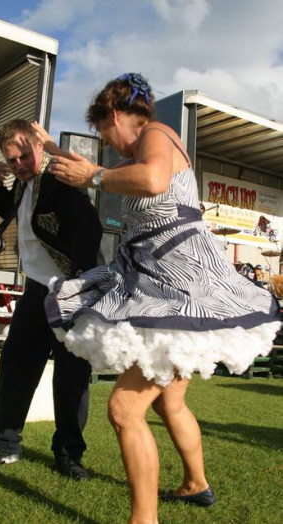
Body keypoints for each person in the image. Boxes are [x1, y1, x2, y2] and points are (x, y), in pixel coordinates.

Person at [43, 74, 281, 523]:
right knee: (170, 402)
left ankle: (144, 520)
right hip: (169, 284)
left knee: (123, 408)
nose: (109, 148)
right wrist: (54, 152)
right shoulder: (151, 143)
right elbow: (126, 175)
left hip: (179, 291)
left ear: (114, 116)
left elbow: (152, 180)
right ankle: (196, 485)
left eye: (104, 135)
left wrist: (95, 175)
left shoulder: (157, 133)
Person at [0, 119, 102, 480]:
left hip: (71, 291)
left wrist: (79, 288)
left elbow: (89, 227)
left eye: (25, 155)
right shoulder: (24, 185)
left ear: (39, 147)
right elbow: (14, 210)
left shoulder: (59, 178)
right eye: (12, 160)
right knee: (16, 369)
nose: (20, 164)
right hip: (36, 290)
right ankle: (3, 445)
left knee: (72, 377)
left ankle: (68, 453)